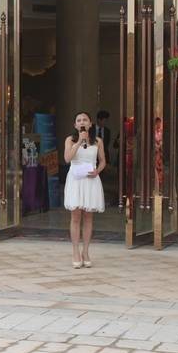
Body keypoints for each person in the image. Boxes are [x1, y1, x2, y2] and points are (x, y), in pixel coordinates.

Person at [63, 111, 106, 269]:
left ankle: (86, 251)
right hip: (75, 180)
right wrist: (79, 142)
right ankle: (75, 251)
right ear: (75, 125)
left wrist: (97, 171)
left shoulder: (98, 141)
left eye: (85, 119)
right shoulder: (70, 139)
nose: (82, 122)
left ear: (90, 123)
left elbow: (102, 161)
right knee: (75, 216)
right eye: (79, 120)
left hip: (90, 180)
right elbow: (67, 158)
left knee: (88, 217)